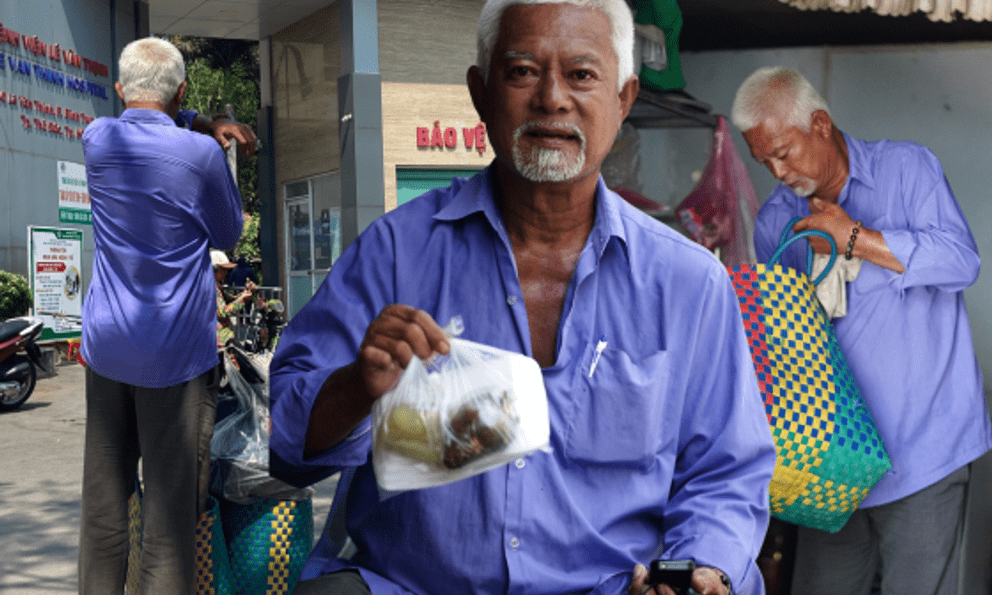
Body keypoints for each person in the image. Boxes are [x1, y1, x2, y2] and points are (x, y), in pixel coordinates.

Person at [269, 1, 776, 594]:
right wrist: (358, 386)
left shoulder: (689, 283)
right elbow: (287, 446)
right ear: (480, 93)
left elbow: (726, 474)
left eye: (582, 74)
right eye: (523, 72)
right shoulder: (395, 253)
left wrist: (700, 571)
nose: (552, 99)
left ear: (624, 98)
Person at [731, 66, 992, 595]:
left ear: (820, 125)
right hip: (832, 461)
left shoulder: (908, 170)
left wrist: (856, 238)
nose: (777, 171)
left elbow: (962, 262)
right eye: (764, 162)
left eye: (785, 152)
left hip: (923, 451)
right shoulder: (776, 225)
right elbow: (785, 347)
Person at [79, 37, 244, 594]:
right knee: (168, 526)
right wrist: (202, 123)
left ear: (121, 90)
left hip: (106, 349)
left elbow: (146, 108)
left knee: (104, 513)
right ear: (182, 91)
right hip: (175, 358)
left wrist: (186, 113)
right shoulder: (200, 155)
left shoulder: (97, 139)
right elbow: (227, 235)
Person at [213, 250, 256, 347]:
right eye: (223, 269)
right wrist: (242, 300)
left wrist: (244, 293)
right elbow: (222, 313)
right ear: (214, 269)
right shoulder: (210, 288)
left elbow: (230, 298)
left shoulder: (217, 285)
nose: (226, 272)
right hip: (217, 339)